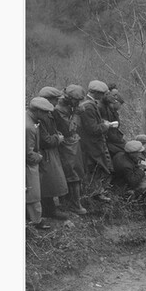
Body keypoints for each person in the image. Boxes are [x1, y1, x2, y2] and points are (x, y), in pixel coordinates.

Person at [111, 140, 146, 230]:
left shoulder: (123, 156)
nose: (140, 154)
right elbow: (133, 181)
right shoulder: (125, 165)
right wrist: (143, 172)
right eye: (139, 153)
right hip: (123, 186)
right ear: (132, 153)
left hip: (125, 181)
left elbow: (133, 171)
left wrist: (141, 167)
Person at [53, 84, 88, 215]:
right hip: (67, 145)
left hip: (72, 144)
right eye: (76, 101)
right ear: (69, 97)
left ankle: (72, 202)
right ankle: (74, 204)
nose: (78, 103)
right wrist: (76, 114)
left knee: (76, 172)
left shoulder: (68, 105)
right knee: (72, 173)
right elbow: (69, 129)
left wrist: (75, 110)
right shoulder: (59, 108)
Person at [78, 80, 114, 202]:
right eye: (103, 93)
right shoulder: (88, 106)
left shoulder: (90, 104)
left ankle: (96, 193)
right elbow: (92, 129)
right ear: (96, 93)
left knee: (96, 168)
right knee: (94, 168)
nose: (104, 96)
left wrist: (102, 123)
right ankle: (94, 194)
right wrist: (106, 126)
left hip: (92, 143)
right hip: (91, 144)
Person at [37, 86, 69, 220]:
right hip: (45, 153)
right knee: (48, 182)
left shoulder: (48, 113)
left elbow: (62, 129)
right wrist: (58, 138)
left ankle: (50, 209)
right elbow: (45, 140)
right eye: (55, 100)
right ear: (48, 100)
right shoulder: (41, 116)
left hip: (51, 151)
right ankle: (49, 210)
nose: (57, 103)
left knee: (51, 181)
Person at [26, 97, 54, 229]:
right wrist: (40, 157)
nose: (47, 115)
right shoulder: (29, 127)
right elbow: (28, 154)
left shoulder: (31, 120)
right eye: (45, 112)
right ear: (36, 111)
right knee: (33, 194)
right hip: (28, 166)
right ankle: (36, 221)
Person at [100, 85, 126, 158]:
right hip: (109, 141)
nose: (116, 98)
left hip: (114, 139)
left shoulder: (112, 111)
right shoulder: (102, 108)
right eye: (114, 95)